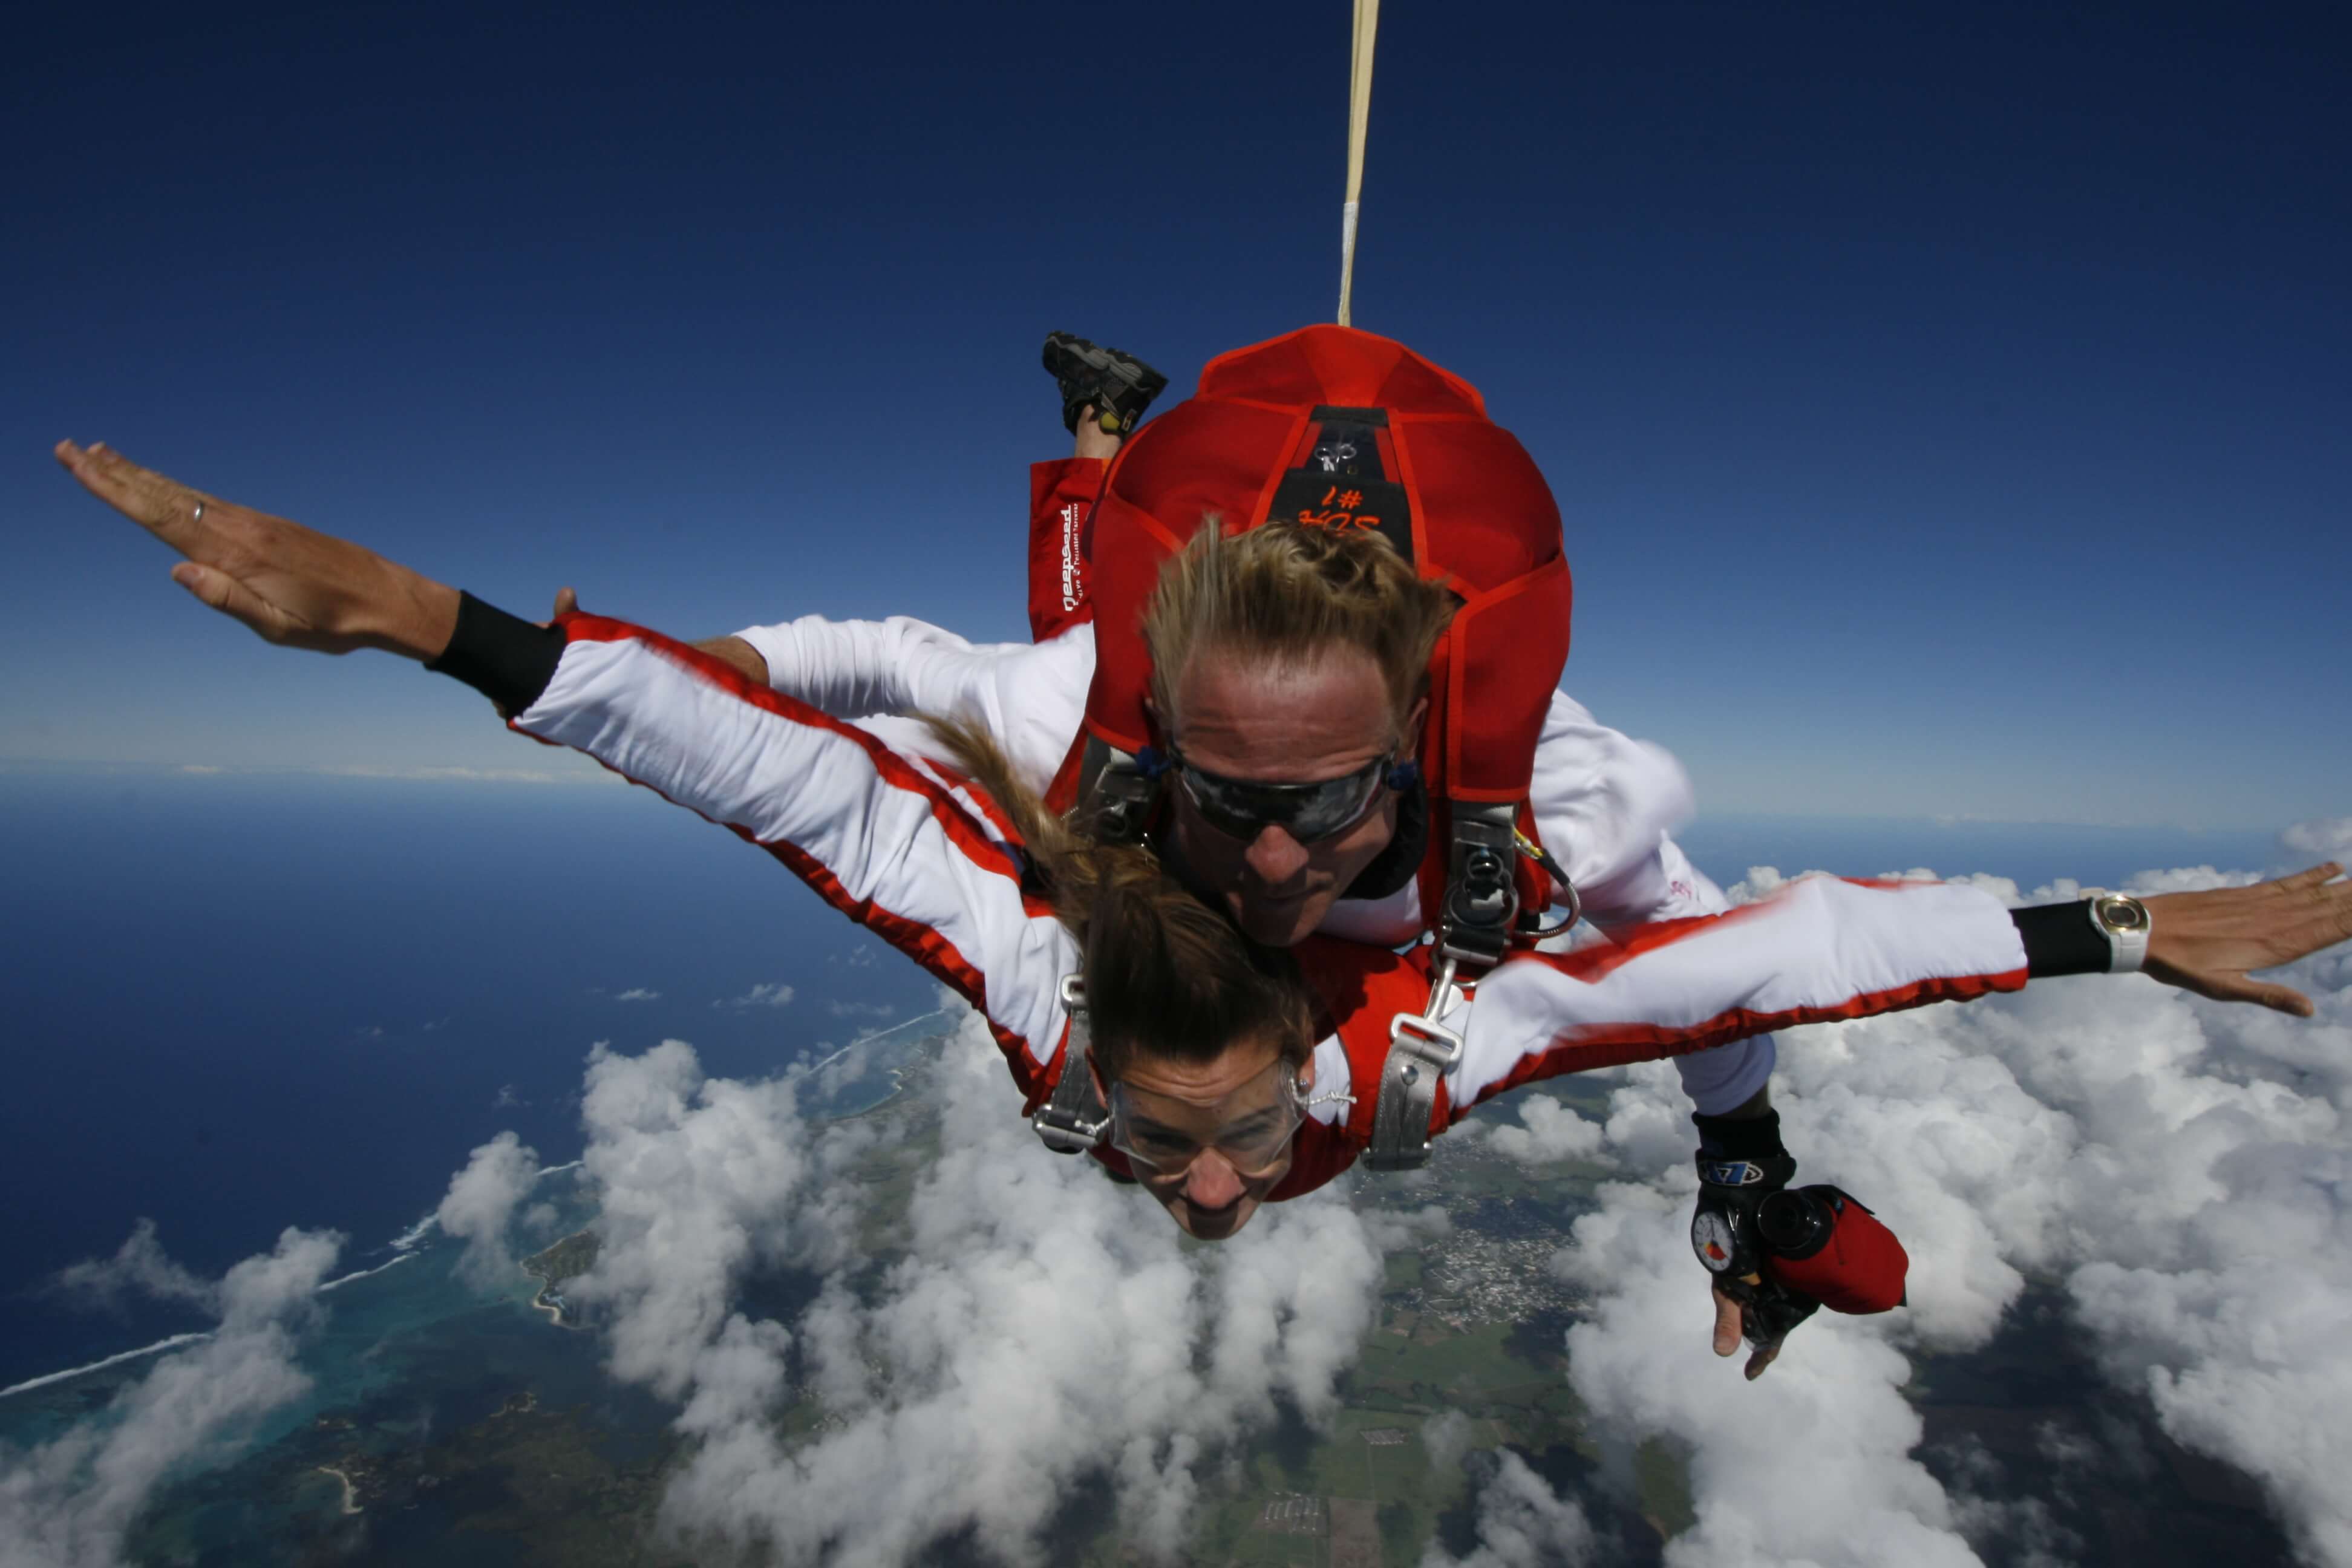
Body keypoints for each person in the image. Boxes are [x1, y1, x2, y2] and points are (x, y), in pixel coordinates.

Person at [54, 439, 2352, 1379]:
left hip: (1276, 747)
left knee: (1047, 677)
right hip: (1154, 765)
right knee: (1017, 697)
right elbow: (787, 771)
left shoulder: (1295, 1000)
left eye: (1197, 1142)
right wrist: (423, 619)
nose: (1215, 1182)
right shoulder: (1112, 975)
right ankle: (1105, 452)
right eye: (1191, 1153)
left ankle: (1106, 449)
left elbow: (1773, 948)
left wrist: (436, 627)